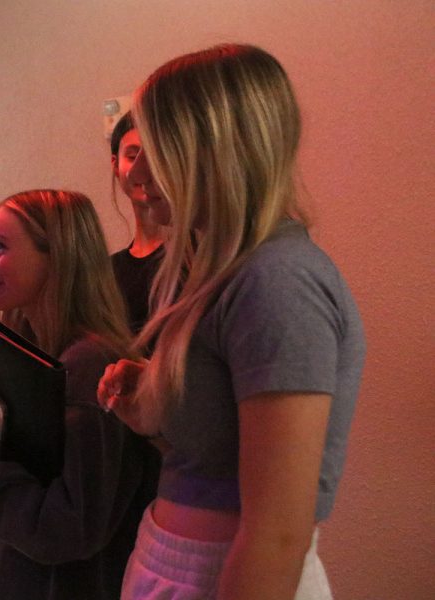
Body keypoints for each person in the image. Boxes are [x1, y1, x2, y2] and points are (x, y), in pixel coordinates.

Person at [97, 44, 366, 599]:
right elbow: (215, 453)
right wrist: (151, 401)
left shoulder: (277, 280)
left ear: (216, 149)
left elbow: (277, 533)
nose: (139, 173)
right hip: (178, 563)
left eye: (159, 146)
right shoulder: (213, 271)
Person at [0, 189, 158, 600]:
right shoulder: (39, 350)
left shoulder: (89, 367)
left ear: (57, 258)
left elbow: (65, 529)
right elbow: (35, 472)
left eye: (1, 248)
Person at [109, 112, 166, 333]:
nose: (143, 170)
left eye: (156, 156)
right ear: (115, 165)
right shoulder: (109, 272)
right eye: (133, 156)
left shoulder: (194, 255)